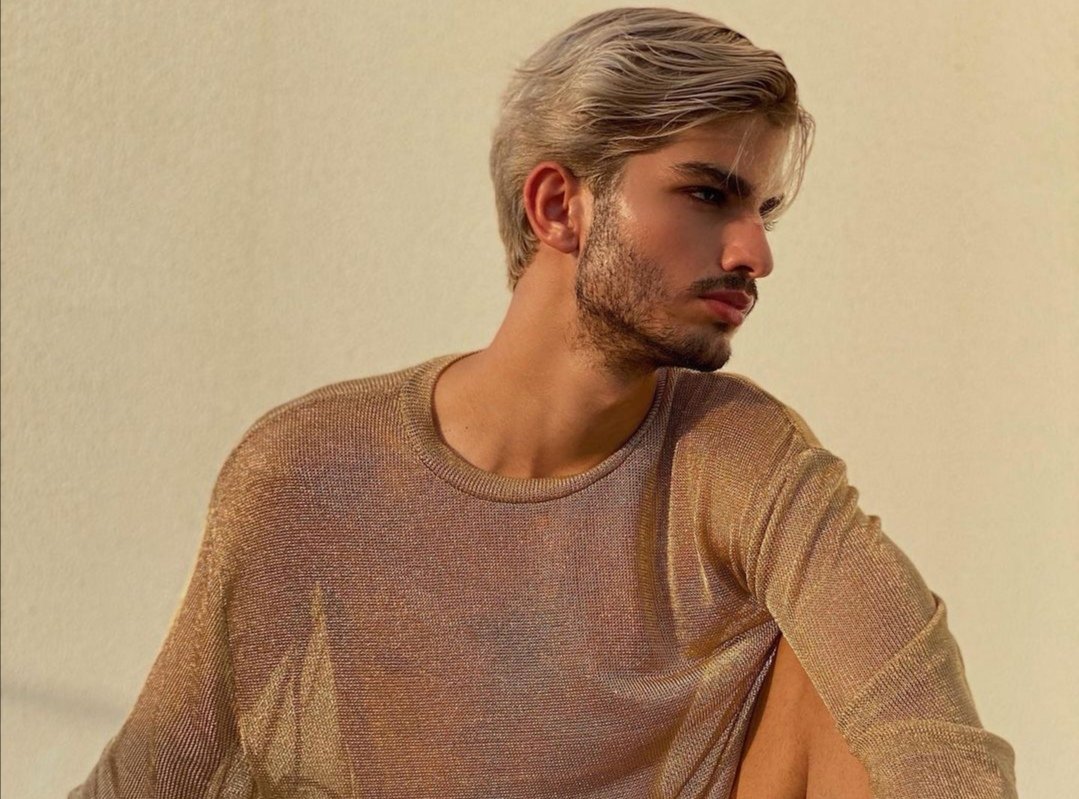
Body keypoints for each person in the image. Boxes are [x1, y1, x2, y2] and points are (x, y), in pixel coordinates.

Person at [70, 7, 1018, 798]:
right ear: (559, 205)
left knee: (821, 660)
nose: (753, 253)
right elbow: (154, 774)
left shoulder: (736, 453)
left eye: (761, 212)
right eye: (707, 194)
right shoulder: (316, 466)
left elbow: (931, 739)